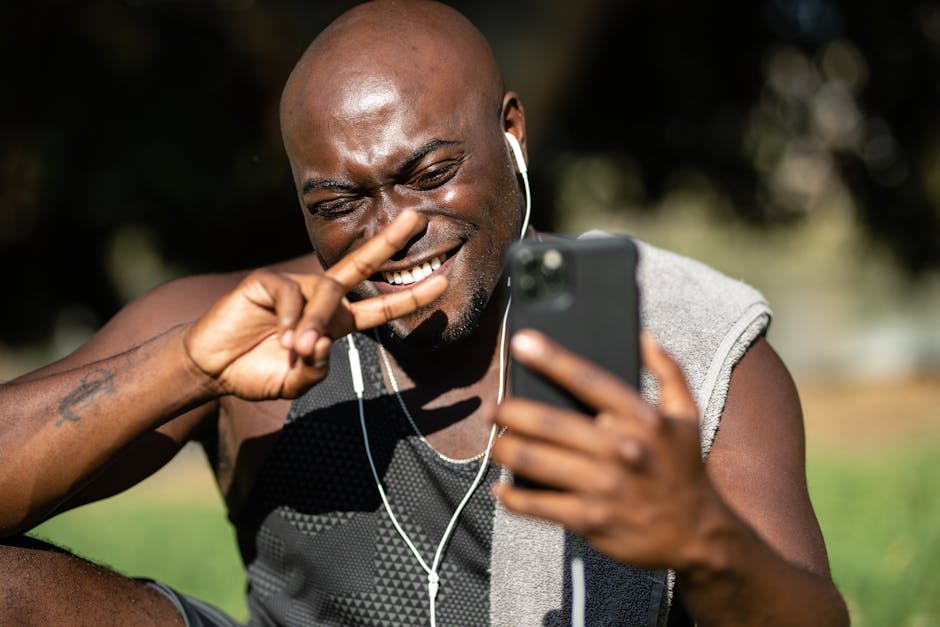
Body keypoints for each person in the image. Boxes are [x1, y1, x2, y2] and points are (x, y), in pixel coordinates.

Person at [0, 1, 849, 625]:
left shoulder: (668, 336)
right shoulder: (240, 326)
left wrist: (704, 539)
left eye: (431, 171)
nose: (395, 228)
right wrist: (185, 368)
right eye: (339, 201)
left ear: (510, 130)